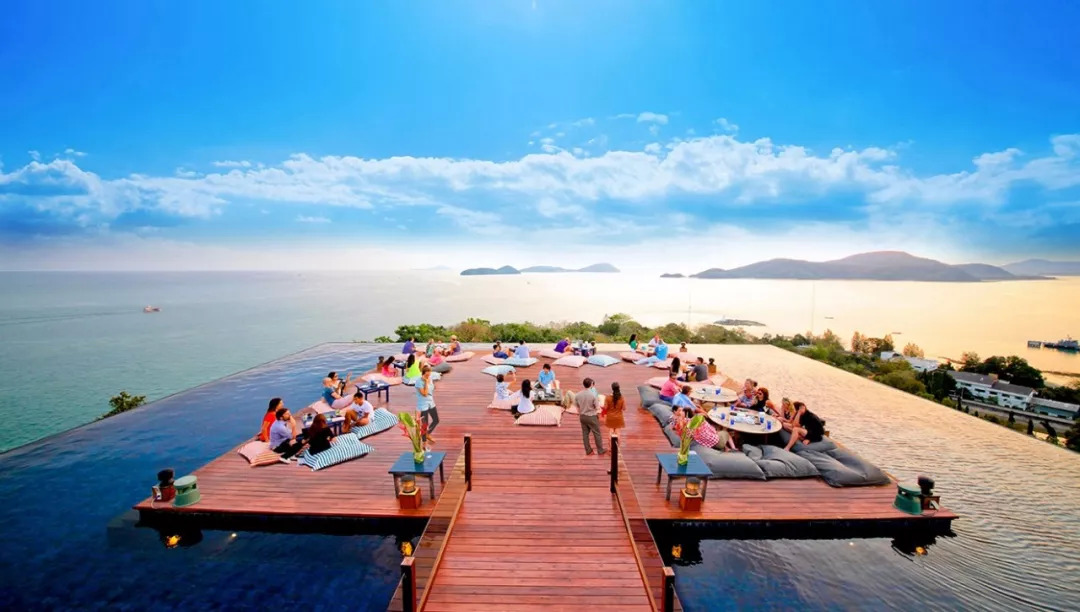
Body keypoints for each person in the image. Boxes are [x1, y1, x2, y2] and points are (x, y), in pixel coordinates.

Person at [575, 378, 605, 455]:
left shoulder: (578, 395)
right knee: (597, 433)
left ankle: (588, 451)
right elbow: (597, 408)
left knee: (585, 434)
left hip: (582, 417)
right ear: (591, 385)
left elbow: (577, 407)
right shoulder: (593, 395)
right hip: (592, 417)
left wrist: (580, 413)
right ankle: (600, 450)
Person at [416, 366, 439, 445]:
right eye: (427, 374)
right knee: (424, 424)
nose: (428, 375)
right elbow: (425, 394)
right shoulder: (418, 382)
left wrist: (432, 385)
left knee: (436, 420)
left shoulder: (430, 378)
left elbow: (432, 388)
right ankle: (424, 442)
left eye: (429, 373)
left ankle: (427, 434)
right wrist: (425, 382)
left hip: (431, 402)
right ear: (423, 373)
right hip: (423, 405)